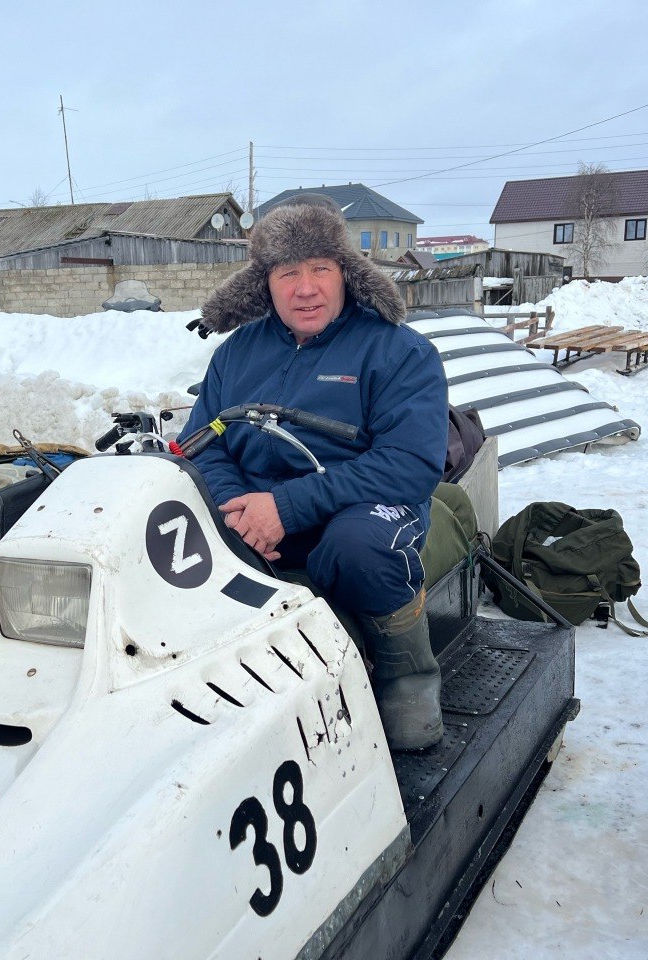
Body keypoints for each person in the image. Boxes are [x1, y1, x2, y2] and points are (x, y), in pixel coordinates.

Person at [182, 194, 449, 750]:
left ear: (346, 274)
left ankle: (407, 676)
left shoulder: (400, 352)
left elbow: (408, 466)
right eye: (289, 273)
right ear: (266, 284)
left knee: (359, 546)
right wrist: (239, 514)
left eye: (320, 269)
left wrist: (286, 508)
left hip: (359, 512)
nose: (306, 288)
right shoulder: (236, 353)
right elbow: (202, 444)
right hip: (254, 513)